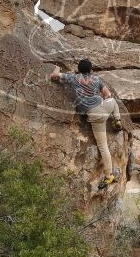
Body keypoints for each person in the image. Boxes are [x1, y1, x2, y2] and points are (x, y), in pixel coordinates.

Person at [50, 59, 123, 188]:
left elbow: (54, 76)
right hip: (105, 106)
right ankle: (117, 119)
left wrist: (57, 67)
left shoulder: (73, 78)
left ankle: (109, 176)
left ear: (79, 69)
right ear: (90, 69)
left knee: (103, 147)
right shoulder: (96, 79)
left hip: (95, 115)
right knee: (112, 100)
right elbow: (107, 94)